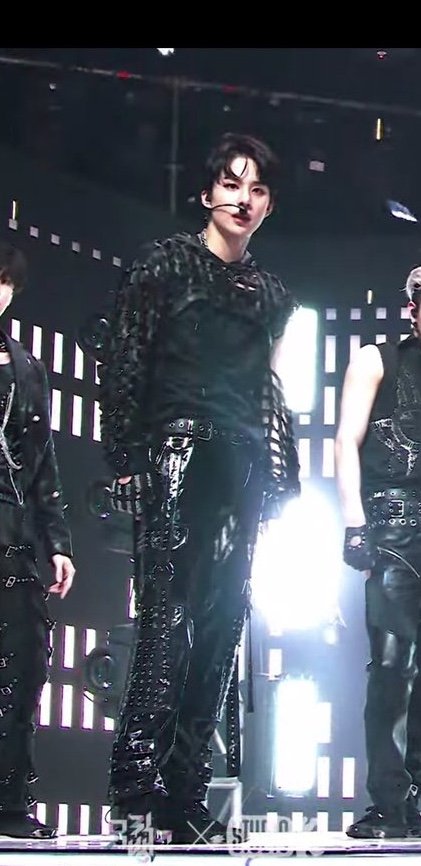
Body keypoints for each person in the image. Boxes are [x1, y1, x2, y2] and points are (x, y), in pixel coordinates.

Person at [95, 132, 300, 844]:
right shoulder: (162, 266)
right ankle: (136, 788)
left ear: (268, 205)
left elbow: (268, 392)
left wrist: (282, 474)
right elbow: (125, 357)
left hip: (241, 465)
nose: (243, 200)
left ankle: (185, 792)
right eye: (232, 184)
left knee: (222, 626)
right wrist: (126, 458)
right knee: (167, 623)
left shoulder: (271, 294)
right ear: (207, 191)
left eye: (257, 189)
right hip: (174, 454)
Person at [335, 265, 421, 839]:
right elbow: (347, 439)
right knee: (391, 666)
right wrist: (354, 523)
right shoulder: (376, 359)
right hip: (394, 528)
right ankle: (389, 803)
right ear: (413, 305)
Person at [0, 241, 75, 839]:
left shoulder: (26, 368)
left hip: (15, 536)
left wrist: (58, 543)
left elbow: (42, 463)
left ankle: (10, 800)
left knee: (24, 672)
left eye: (4, 281)